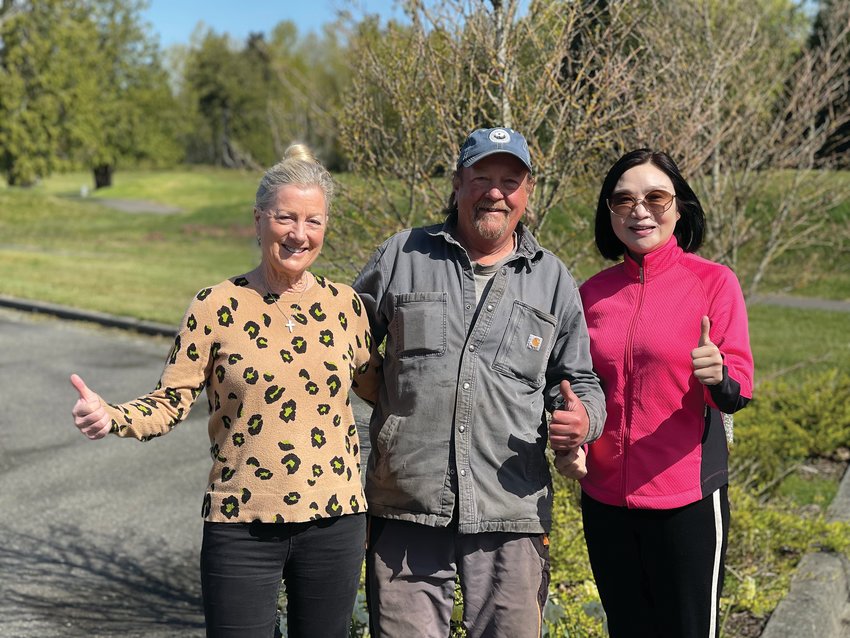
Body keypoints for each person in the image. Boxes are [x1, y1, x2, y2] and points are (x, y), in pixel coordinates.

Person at [69, 144, 381, 638]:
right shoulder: (216, 306)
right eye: (285, 218)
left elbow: (385, 392)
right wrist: (113, 416)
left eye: (314, 221)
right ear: (258, 220)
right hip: (241, 520)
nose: (299, 234)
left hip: (334, 520)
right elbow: (170, 402)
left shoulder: (345, 307)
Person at [353, 126, 606, 638]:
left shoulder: (552, 278)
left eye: (510, 180)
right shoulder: (403, 255)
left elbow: (581, 380)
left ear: (527, 193)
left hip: (511, 509)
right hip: (407, 505)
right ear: (457, 183)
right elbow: (344, 343)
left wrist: (585, 421)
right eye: (482, 177)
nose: (496, 191)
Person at [553, 149, 754, 638]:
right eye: (623, 200)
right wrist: (573, 440)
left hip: (685, 500)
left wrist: (717, 375)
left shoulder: (714, 283)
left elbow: (739, 389)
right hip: (604, 501)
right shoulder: (591, 294)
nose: (639, 211)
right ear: (609, 214)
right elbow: (581, 388)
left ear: (679, 206)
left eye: (655, 197)